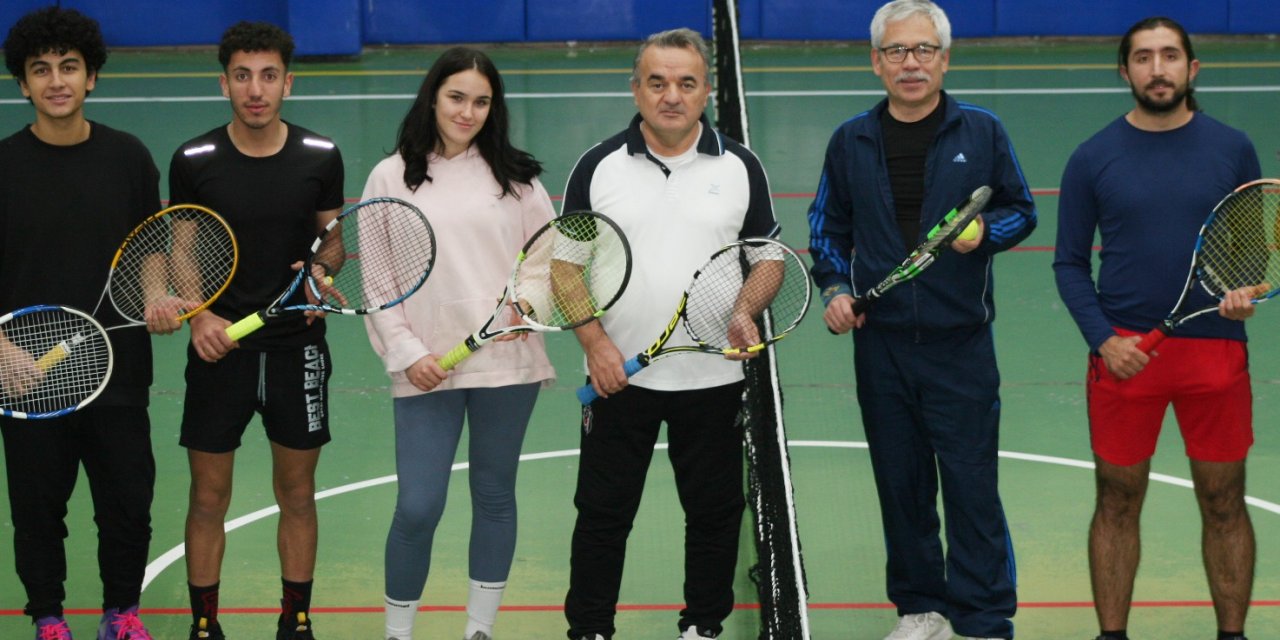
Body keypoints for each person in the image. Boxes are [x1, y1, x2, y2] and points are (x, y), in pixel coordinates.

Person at [807, 1, 1036, 638]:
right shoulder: (850, 140)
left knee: (970, 488)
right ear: (876, 62)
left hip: (960, 346)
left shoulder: (982, 131)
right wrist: (833, 286)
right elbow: (827, 225)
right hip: (880, 347)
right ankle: (921, 610)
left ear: (944, 58)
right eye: (898, 52)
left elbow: (1022, 210)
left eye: (924, 50)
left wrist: (986, 231)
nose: (912, 63)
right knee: (900, 486)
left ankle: (986, 618)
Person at [561, 27, 777, 640]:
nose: (672, 96)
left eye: (686, 83)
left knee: (713, 514)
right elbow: (563, 267)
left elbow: (768, 259)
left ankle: (703, 626)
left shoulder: (740, 166)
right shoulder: (598, 166)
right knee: (602, 515)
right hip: (617, 376)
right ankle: (591, 629)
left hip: (713, 373)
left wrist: (746, 308)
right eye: (657, 83)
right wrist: (595, 345)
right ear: (636, 89)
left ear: (707, 90)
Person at [1053, 16, 1260, 640]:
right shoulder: (1092, 157)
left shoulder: (1232, 148)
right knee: (1116, 501)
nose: (1157, 68)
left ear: (1192, 69)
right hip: (1124, 355)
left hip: (1216, 355)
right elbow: (1068, 263)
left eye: (1170, 56)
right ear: (1126, 72)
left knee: (1224, 502)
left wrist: (1243, 293)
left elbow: (1249, 255)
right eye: (1143, 58)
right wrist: (1103, 340)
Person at [360, 46, 557, 640]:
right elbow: (379, 280)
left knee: (495, 495)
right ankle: (398, 632)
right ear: (432, 97)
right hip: (425, 368)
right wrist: (406, 353)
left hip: (507, 363)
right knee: (417, 507)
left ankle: (479, 629)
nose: (467, 111)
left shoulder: (517, 178)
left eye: (481, 101)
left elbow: (546, 259)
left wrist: (529, 305)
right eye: (456, 97)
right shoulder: (389, 176)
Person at [168, 21, 344, 640]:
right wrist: (199, 315)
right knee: (208, 496)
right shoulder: (194, 160)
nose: (255, 89)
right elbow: (183, 248)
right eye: (242, 75)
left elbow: (333, 240)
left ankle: (295, 620)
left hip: (297, 347)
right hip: (221, 352)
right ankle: (203, 625)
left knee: (297, 492)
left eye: (268, 75)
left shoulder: (320, 156)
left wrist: (320, 274)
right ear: (224, 83)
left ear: (287, 83)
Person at [0, 6, 165, 640]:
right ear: (23, 84)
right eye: (40, 70)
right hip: (26, 377)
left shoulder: (127, 157)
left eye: (69, 67)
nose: (56, 81)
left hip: (116, 369)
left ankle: (121, 613)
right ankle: (48, 618)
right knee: (38, 509)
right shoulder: (5, 166)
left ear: (91, 76)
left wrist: (156, 298)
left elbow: (147, 249)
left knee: (127, 503)